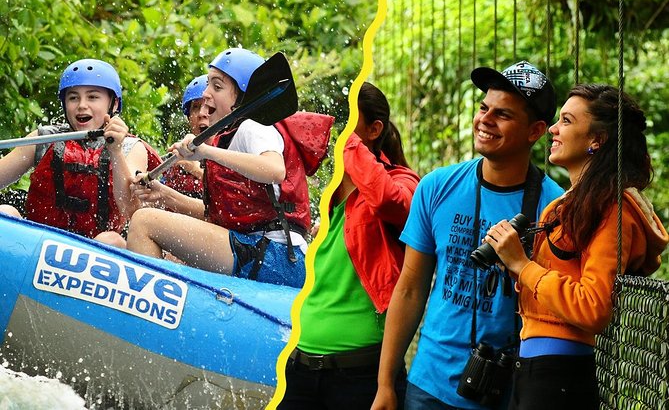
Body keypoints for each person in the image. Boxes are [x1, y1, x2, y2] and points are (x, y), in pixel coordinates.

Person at [372, 61, 565, 410]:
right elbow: (411, 287)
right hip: (429, 386)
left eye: (503, 114)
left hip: (511, 388)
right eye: (483, 108)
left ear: (535, 130)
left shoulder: (556, 208)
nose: (485, 119)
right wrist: (386, 384)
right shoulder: (436, 187)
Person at [483, 84, 669, 410]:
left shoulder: (614, 210)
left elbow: (593, 307)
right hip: (532, 367)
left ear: (596, 140)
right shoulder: (562, 207)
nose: (553, 129)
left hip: (559, 375)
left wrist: (523, 266)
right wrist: (509, 260)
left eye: (567, 121)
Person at [127, 48, 332, 288]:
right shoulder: (231, 138)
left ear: (242, 97)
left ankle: (151, 314)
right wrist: (165, 195)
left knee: (144, 222)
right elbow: (214, 216)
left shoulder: (254, 127)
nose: (205, 94)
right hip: (261, 252)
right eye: (207, 86)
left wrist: (204, 151)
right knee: (174, 248)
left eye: (217, 86)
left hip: (278, 259)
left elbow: (275, 170)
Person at [278, 82, 420, 410]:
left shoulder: (403, 180)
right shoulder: (329, 200)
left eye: (351, 122)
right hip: (300, 370)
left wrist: (351, 146)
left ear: (374, 130)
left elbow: (389, 201)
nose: (342, 132)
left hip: (361, 378)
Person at [0, 58, 160, 248]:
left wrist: (115, 151)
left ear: (114, 104)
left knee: (111, 240)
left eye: (92, 97)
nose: (82, 105)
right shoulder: (43, 139)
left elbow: (130, 209)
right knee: (6, 212)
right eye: (73, 97)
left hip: (93, 253)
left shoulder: (130, 148)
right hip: (35, 244)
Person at [160, 74, 209, 199]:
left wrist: (197, 171)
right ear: (188, 119)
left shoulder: (234, 147)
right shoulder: (180, 157)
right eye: (196, 107)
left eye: (208, 106)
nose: (201, 114)